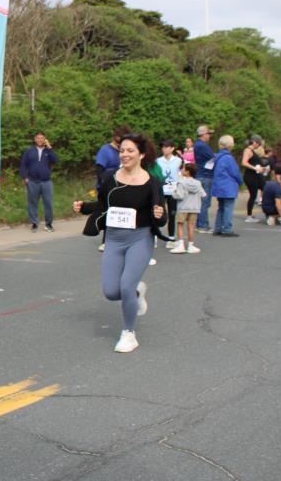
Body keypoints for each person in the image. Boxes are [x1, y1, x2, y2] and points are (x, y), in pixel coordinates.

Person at [74, 133, 166, 354]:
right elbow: (102, 204)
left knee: (125, 286)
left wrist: (160, 214)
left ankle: (128, 333)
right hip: (114, 239)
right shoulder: (110, 178)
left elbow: (161, 216)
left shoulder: (152, 182)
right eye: (122, 150)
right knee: (111, 291)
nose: (125, 154)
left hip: (140, 238)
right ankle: (137, 293)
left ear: (141, 154)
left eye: (130, 150)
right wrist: (83, 207)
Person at [20, 132, 59, 232]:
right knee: (32, 202)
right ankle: (34, 223)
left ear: (45, 139)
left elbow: (56, 160)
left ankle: (48, 224)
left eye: (42, 138)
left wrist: (49, 147)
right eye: (38, 138)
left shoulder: (48, 151)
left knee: (48, 203)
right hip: (33, 181)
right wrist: (25, 177)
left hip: (46, 181)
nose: (40, 140)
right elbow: (23, 165)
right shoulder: (29, 151)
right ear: (35, 139)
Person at [211, 135, 243, 237]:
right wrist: (241, 182)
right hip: (228, 186)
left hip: (218, 185)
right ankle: (227, 229)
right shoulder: (229, 158)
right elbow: (235, 172)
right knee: (228, 207)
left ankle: (218, 228)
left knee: (221, 207)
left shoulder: (216, 157)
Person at [171, 162, 205, 254]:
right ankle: (191, 246)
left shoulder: (181, 183)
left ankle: (181, 245)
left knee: (180, 225)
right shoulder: (198, 183)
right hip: (195, 207)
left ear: (187, 172)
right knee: (191, 226)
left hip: (183, 207)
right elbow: (203, 194)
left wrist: (174, 193)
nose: (182, 170)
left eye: (183, 169)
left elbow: (180, 195)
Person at [156, 140, 182, 241]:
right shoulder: (158, 161)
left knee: (172, 214)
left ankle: (171, 237)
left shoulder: (178, 161)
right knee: (159, 212)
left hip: (173, 190)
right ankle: (156, 235)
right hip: (161, 189)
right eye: (163, 147)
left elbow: (181, 174)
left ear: (172, 148)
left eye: (166, 147)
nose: (164, 149)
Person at [240, 135, 268, 222]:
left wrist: (261, 168)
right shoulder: (248, 150)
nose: (259, 146)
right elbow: (244, 162)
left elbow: (253, 162)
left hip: (256, 175)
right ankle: (249, 216)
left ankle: (268, 212)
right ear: (254, 142)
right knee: (253, 195)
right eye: (258, 144)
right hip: (250, 177)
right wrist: (256, 168)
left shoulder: (252, 151)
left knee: (265, 189)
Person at [194, 125, 216, 233]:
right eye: (208, 133)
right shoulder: (202, 145)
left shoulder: (198, 145)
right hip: (205, 175)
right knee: (204, 202)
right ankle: (203, 225)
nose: (209, 136)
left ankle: (199, 224)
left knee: (201, 201)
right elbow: (213, 157)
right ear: (203, 134)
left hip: (201, 175)